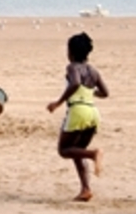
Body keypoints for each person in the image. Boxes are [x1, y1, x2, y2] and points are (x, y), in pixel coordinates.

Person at [47, 33, 109, 202]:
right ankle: (86, 189)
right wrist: (89, 92)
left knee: (64, 150)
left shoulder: (72, 67)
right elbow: (105, 92)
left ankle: (94, 154)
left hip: (77, 112)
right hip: (93, 113)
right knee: (77, 152)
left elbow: (74, 83)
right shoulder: (93, 70)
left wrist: (58, 102)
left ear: (71, 52)